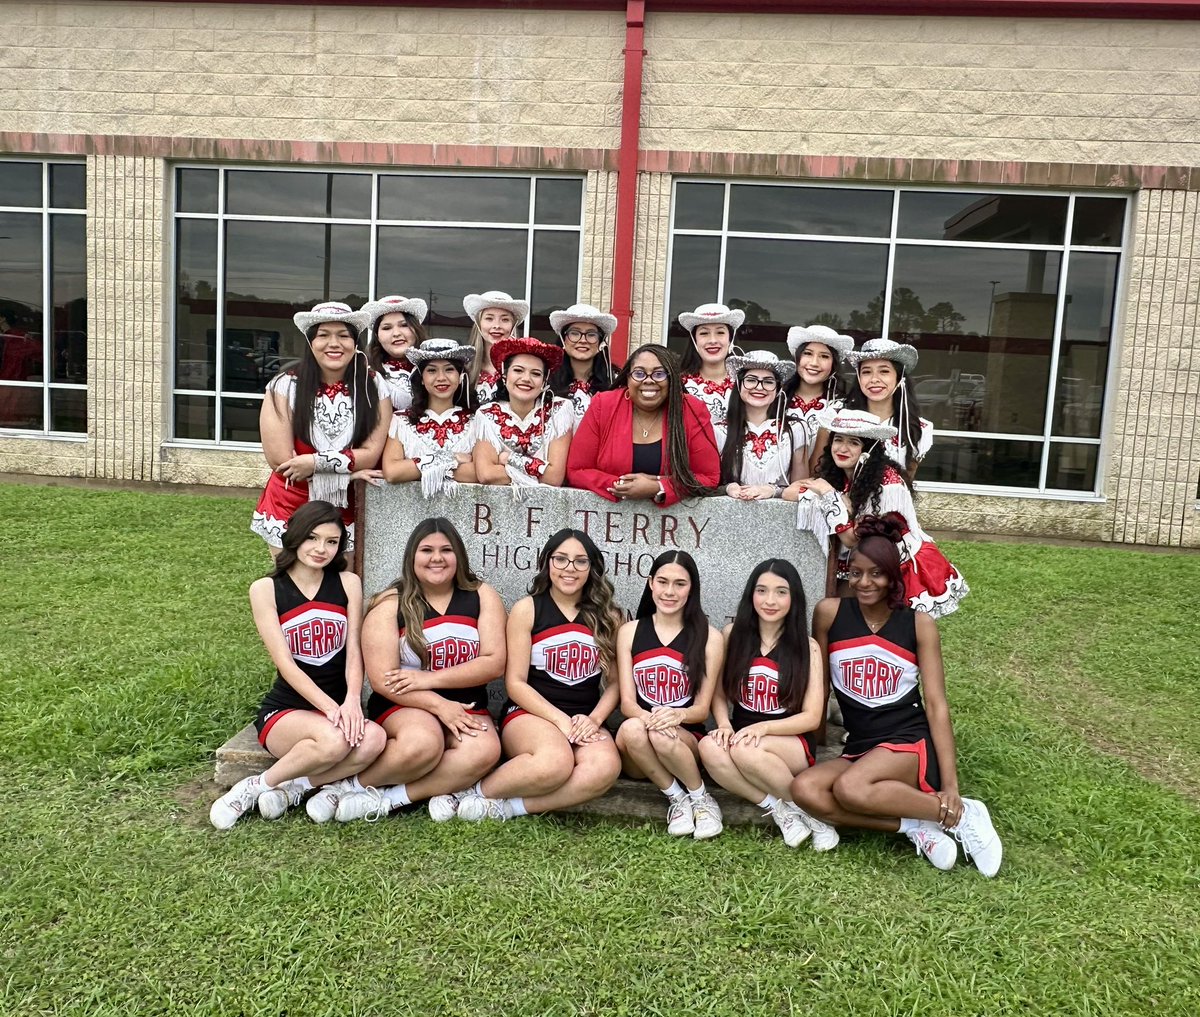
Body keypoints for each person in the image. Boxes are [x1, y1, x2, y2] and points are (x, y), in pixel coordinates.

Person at [791, 516, 1003, 876]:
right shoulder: (828, 613)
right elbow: (822, 686)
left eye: (875, 573)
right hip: (861, 745)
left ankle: (960, 812)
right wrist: (812, 740)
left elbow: (936, 704)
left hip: (908, 741)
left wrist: (950, 785)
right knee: (806, 790)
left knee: (850, 788)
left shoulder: (918, 623)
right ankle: (915, 826)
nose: (864, 582)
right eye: (855, 573)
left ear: (893, 575)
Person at [209, 501, 386, 829]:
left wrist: (350, 702)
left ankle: (294, 787)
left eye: (331, 542)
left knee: (374, 739)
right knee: (335, 740)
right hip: (286, 711)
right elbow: (286, 665)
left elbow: (353, 652)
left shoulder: (348, 583)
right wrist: (333, 710)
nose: (321, 549)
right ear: (295, 537)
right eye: (312, 538)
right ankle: (252, 788)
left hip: (336, 707)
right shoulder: (265, 590)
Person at [332, 518, 507, 823]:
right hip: (405, 702)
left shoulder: (481, 595)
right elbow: (384, 680)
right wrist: (439, 705)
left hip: (466, 703)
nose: (437, 558)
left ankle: (391, 799)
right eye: (426, 550)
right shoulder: (391, 604)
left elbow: (494, 662)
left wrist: (430, 678)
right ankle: (350, 786)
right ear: (412, 557)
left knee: (483, 752)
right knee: (423, 744)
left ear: (459, 556)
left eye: (446, 550)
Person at [457, 529, 624, 821]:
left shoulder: (609, 616)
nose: (569, 568)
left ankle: (508, 808)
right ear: (547, 562)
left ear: (592, 567)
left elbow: (616, 685)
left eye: (580, 561)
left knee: (604, 768)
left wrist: (594, 720)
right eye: (561, 559)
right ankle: (471, 793)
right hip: (529, 714)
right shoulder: (527, 609)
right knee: (555, 762)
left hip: (584, 717)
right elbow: (515, 683)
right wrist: (560, 721)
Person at [698, 560, 834, 848]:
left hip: (790, 740)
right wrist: (723, 723)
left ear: (794, 598)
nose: (770, 600)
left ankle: (813, 813)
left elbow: (812, 717)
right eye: (762, 590)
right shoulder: (732, 634)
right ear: (751, 595)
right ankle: (780, 810)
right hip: (742, 736)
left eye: (781, 592)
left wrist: (763, 728)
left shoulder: (807, 646)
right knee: (708, 747)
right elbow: (719, 692)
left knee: (745, 748)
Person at [792, 408, 968, 619]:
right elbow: (793, 491)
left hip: (898, 569)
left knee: (893, 635)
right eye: (838, 440)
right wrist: (771, 490)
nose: (842, 448)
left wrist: (830, 495)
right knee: (840, 619)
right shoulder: (842, 473)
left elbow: (850, 539)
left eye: (854, 442)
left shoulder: (886, 485)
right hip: (864, 564)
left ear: (870, 449)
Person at [250, 301, 391, 552]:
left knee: (343, 585)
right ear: (310, 342)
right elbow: (282, 462)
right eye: (323, 335)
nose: (334, 343)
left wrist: (313, 464)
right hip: (291, 505)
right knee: (294, 586)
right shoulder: (284, 385)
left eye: (343, 335)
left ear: (355, 343)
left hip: (349, 508)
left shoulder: (374, 385)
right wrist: (349, 473)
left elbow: (371, 454)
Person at [614, 551, 725, 839]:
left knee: (662, 733)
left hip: (684, 742)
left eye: (680, 584)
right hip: (639, 751)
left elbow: (702, 710)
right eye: (662, 582)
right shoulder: (629, 632)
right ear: (650, 583)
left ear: (692, 587)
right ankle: (678, 798)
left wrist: (677, 715)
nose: (669, 592)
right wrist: (651, 718)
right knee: (632, 727)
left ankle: (701, 799)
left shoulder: (710, 637)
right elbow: (627, 703)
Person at [566, 344, 720, 505]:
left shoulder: (692, 410)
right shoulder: (603, 405)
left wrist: (658, 486)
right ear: (627, 377)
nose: (648, 381)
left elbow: (709, 476)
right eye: (639, 374)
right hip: (609, 516)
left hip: (672, 522)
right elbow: (577, 470)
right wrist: (620, 486)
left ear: (671, 378)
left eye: (659, 374)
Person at [382, 337, 479, 497]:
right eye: (432, 370)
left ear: (461, 376)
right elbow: (393, 472)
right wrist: (452, 459)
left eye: (449, 369)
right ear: (421, 378)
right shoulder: (401, 420)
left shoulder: (477, 420)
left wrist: (415, 467)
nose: (441, 377)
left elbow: (477, 473)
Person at [472, 337, 574, 488]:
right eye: (518, 370)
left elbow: (554, 477)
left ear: (544, 381)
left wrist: (508, 458)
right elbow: (487, 474)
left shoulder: (559, 411)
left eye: (536, 374)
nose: (526, 379)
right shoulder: (486, 414)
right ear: (504, 374)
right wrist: (539, 472)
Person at [719, 349, 809, 501]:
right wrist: (728, 488)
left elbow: (801, 487)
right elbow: (706, 483)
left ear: (778, 389)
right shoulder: (719, 430)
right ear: (739, 384)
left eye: (768, 382)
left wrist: (773, 491)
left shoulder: (796, 429)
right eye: (751, 380)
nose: (759, 387)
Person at [841, 337, 932, 480]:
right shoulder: (840, 418)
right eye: (866, 372)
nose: (874, 379)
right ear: (858, 378)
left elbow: (906, 483)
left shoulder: (917, 428)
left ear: (899, 377)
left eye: (884, 371)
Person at [785, 323, 854, 470]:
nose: (814, 363)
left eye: (824, 356)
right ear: (797, 357)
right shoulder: (777, 398)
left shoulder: (843, 408)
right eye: (808, 353)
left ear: (833, 364)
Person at [678, 302, 744, 446]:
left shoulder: (747, 383)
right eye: (704, 333)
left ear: (730, 338)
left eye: (720, 332)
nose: (713, 340)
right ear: (694, 340)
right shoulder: (678, 385)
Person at [547, 303, 619, 430]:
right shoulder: (546, 380)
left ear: (601, 342)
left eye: (591, 334)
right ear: (564, 339)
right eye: (575, 333)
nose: (583, 340)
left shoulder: (615, 381)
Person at [361, 294, 429, 417]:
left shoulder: (438, 369)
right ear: (377, 336)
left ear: (416, 329)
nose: (396, 333)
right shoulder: (365, 374)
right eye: (387, 328)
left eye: (404, 325)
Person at [462, 290, 529, 403]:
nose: (497, 326)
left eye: (505, 319)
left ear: (513, 326)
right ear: (479, 324)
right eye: (489, 318)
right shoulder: (465, 368)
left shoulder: (526, 369)